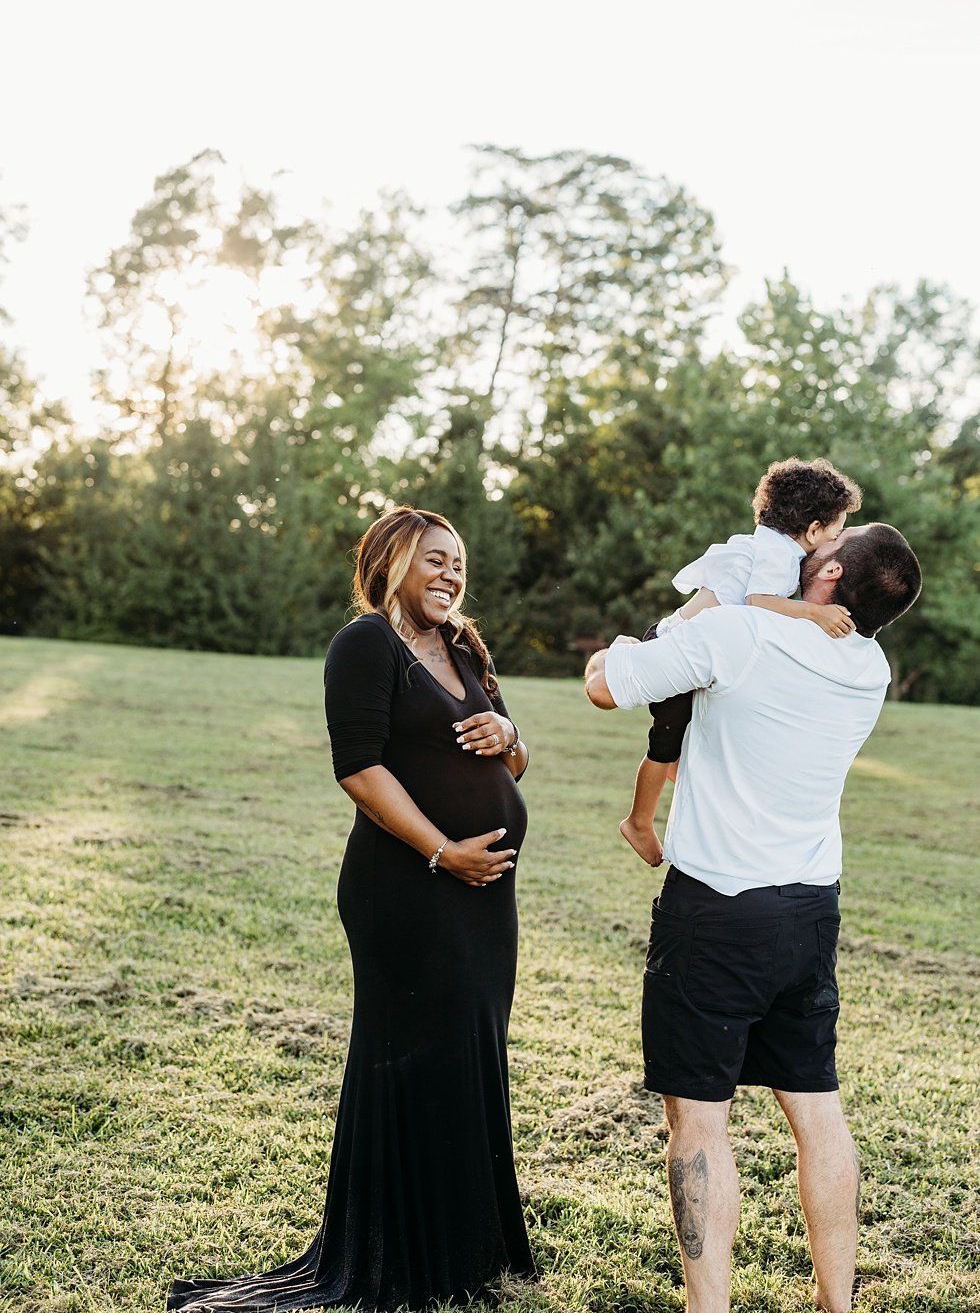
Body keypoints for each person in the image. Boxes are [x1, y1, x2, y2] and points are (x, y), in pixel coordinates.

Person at [168, 507, 536, 1312]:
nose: (450, 574)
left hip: (484, 899)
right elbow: (360, 770)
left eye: (459, 562)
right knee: (412, 1057)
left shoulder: (464, 646)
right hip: (407, 888)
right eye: (434, 560)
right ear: (391, 561)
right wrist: (445, 851)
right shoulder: (365, 645)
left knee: (470, 1056)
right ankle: (400, 1252)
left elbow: (515, 757)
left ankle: (463, 1245)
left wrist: (507, 730)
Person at [585, 522, 922, 1313]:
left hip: (716, 913)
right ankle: (838, 1305)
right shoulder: (868, 666)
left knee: (700, 1125)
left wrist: (637, 639)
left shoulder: (738, 633)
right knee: (818, 1112)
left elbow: (606, 686)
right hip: (810, 911)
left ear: (831, 570)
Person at [620, 457, 863, 870]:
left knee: (688, 750)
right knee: (664, 748)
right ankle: (638, 821)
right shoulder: (778, 554)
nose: (833, 543)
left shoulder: (773, 545)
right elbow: (759, 604)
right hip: (673, 650)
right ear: (813, 530)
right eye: (835, 533)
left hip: (687, 650)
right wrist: (815, 614)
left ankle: (697, 804)